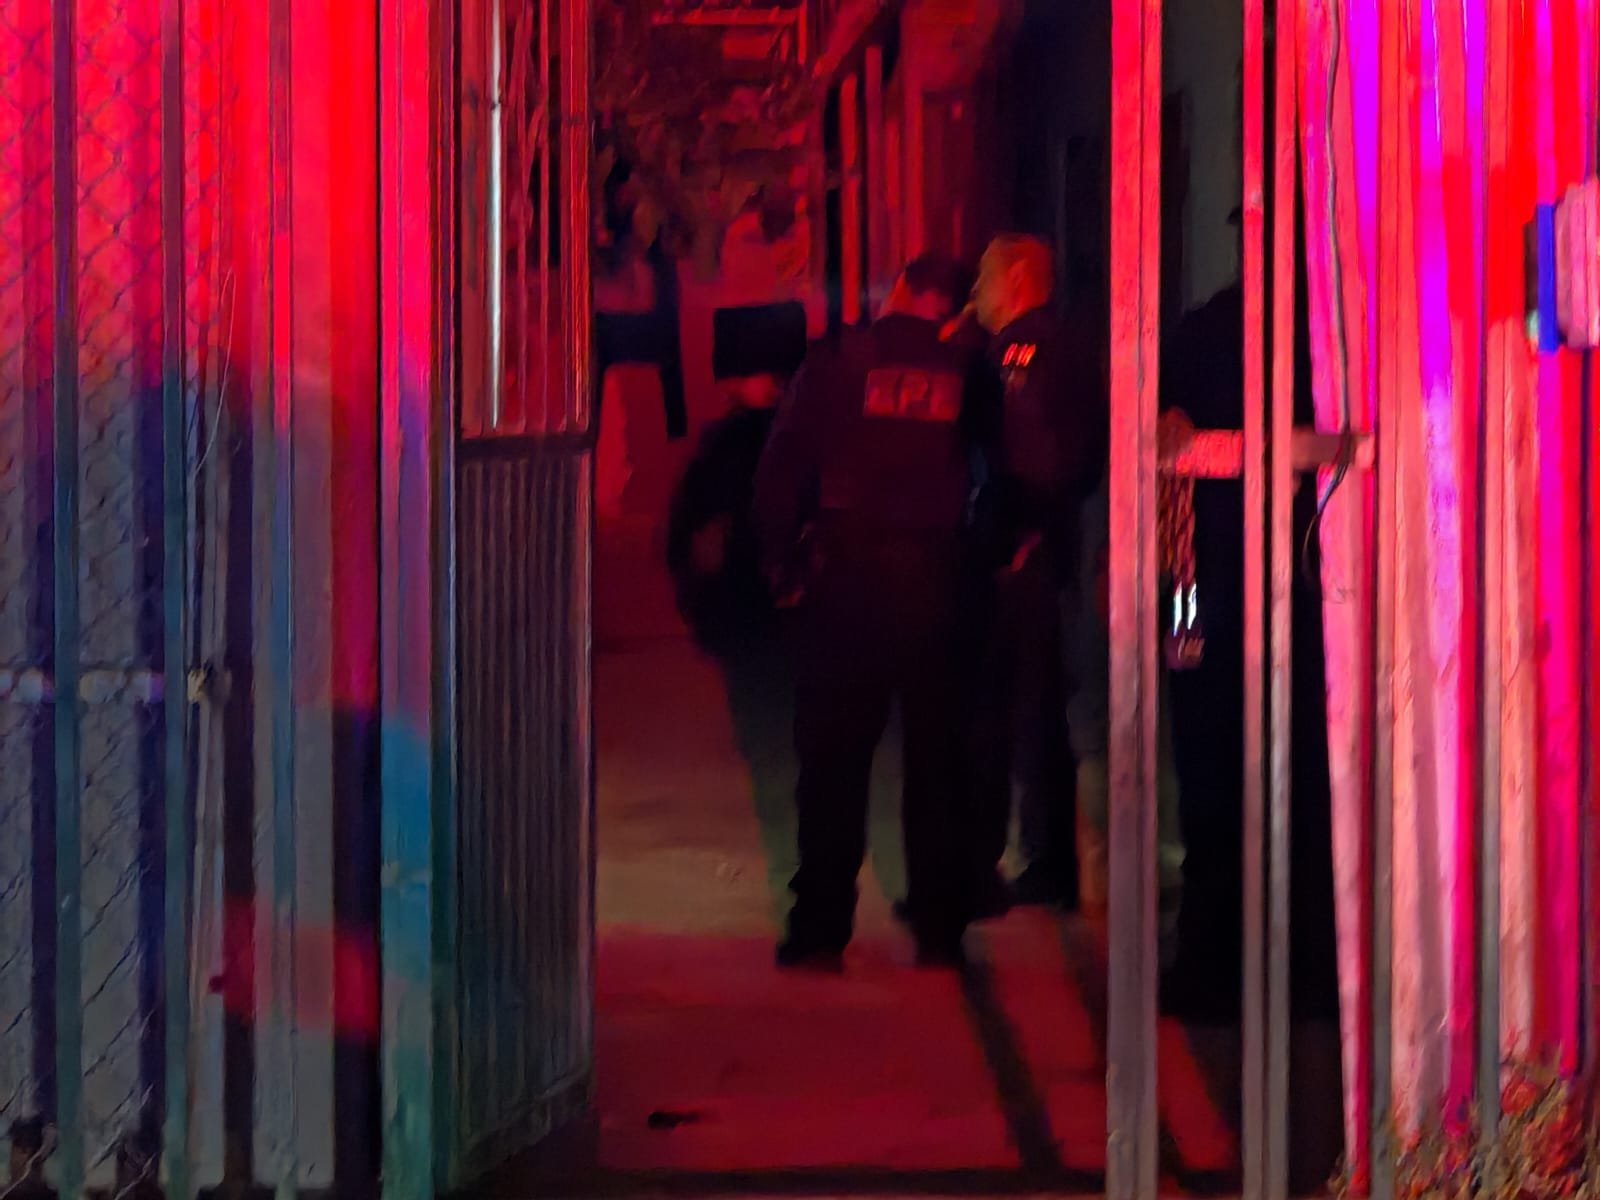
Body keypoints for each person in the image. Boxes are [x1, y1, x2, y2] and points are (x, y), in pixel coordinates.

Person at [752, 255, 984, 970]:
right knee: (938, 760)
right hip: (935, 579)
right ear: (949, 304)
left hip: (848, 578)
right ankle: (941, 927)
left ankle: (820, 929)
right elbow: (994, 470)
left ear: (903, 290)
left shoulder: (840, 361)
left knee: (832, 762)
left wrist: (780, 564)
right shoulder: (965, 370)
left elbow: (782, 466)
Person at [960, 234, 1107, 910]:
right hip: (1052, 548)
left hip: (1024, 553)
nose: (976, 296)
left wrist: (1013, 533)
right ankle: (1047, 859)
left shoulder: (1021, 352)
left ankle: (1016, 861)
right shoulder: (1072, 344)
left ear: (1017, 278)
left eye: (984, 280)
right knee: (1041, 707)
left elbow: (1027, 456)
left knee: (1008, 709)